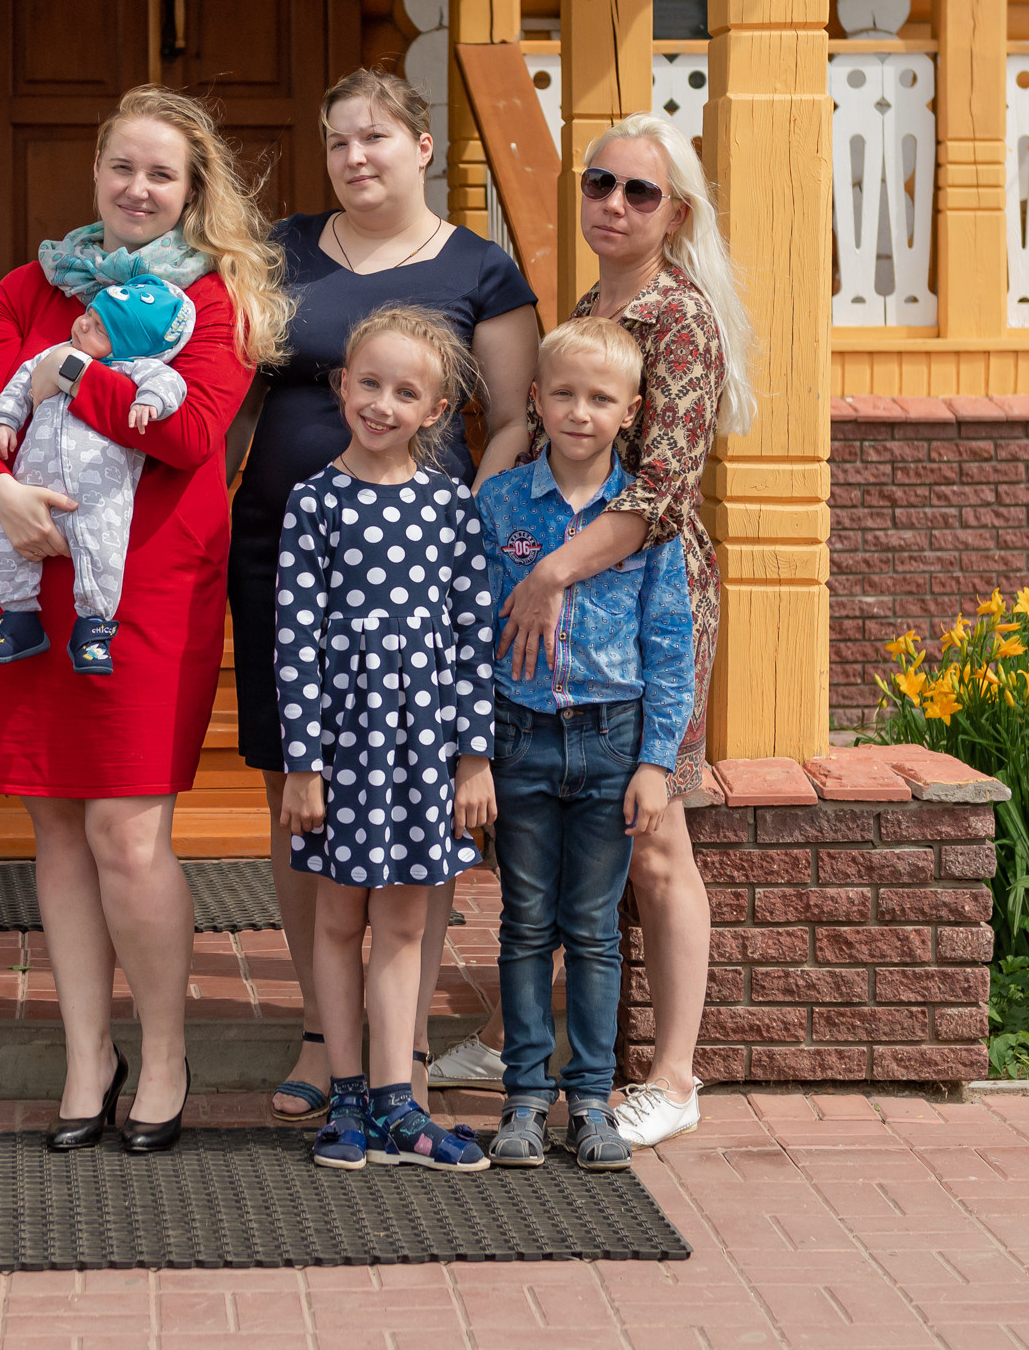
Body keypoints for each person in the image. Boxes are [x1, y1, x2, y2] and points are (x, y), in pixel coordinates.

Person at [0, 85, 289, 1155]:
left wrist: (73, 374)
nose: (137, 189)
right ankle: (88, 1054)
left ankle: (168, 1051)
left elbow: (187, 433)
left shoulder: (214, 300)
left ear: (192, 192)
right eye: (121, 168)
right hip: (28, 584)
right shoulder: (26, 287)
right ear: (95, 173)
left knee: (126, 830)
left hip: (145, 590)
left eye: (161, 174)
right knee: (53, 821)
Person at [229, 69, 536, 1122]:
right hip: (287, 546)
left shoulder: (477, 268)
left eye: (375, 137)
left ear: (419, 144)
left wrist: (468, 522)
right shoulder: (282, 251)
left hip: (418, 558)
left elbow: (508, 414)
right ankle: (325, 1029)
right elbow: (233, 383)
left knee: (419, 783)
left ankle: (396, 1034)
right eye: (338, 141)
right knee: (295, 778)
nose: (356, 157)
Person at [498, 111, 754, 1149]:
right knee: (552, 843)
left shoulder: (677, 317)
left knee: (655, 835)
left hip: (644, 594)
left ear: (674, 211)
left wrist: (549, 571)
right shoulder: (595, 303)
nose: (612, 202)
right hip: (564, 595)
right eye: (599, 183)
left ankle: (675, 1073)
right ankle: (525, 1044)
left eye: (637, 191)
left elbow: (659, 490)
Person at [275, 306, 497, 1173]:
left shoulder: (450, 507)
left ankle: (401, 1106)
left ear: (434, 412)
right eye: (369, 383)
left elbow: (473, 637)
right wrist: (303, 764)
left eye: (406, 392)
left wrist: (472, 756)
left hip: (424, 745)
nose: (382, 403)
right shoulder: (314, 502)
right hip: (343, 744)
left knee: (403, 920)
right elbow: (294, 640)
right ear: (341, 386)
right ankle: (349, 1099)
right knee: (338, 918)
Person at [475, 316, 697, 1170]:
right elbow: (470, 634)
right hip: (520, 737)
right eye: (562, 394)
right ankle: (525, 1100)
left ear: (629, 410)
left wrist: (655, 764)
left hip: (612, 743)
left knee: (597, 929)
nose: (579, 411)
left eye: (599, 398)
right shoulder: (500, 506)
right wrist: (473, 753)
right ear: (536, 400)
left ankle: (591, 1104)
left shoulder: (640, 517)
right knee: (526, 925)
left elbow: (670, 644)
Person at [0, 275, 197, 675]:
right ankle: (18, 619)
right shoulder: (51, 354)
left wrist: (149, 401)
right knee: (7, 543)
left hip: (99, 491)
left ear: (126, 344)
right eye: (89, 314)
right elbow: (17, 387)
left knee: (101, 553)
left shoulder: (133, 369)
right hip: (30, 483)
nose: (83, 325)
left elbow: (171, 383)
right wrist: (3, 423)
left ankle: (93, 630)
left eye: (99, 328)